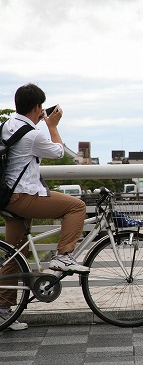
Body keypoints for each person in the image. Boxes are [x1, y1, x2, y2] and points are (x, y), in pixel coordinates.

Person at [0, 83, 89, 331]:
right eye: (41, 108)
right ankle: (63, 257)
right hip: (24, 197)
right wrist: (52, 126)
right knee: (76, 207)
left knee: (15, 254)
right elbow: (59, 152)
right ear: (38, 107)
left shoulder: (8, 126)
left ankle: (3, 312)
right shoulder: (34, 134)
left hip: (7, 198)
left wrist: (40, 123)